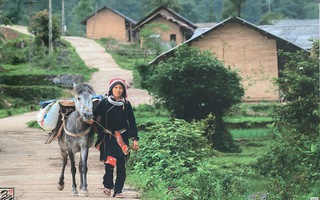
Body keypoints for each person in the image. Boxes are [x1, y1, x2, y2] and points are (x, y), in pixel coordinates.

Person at [93, 78, 139, 198]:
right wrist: (89, 119)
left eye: (120, 88)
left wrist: (135, 139)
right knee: (109, 162)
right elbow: (94, 116)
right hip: (108, 137)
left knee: (121, 165)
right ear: (111, 89)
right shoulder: (104, 102)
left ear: (123, 90)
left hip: (122, 138)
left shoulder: (126, 104)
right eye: (115, 88)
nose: (118, 90)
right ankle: (108, 185)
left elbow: (132, 122)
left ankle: (118, 190)